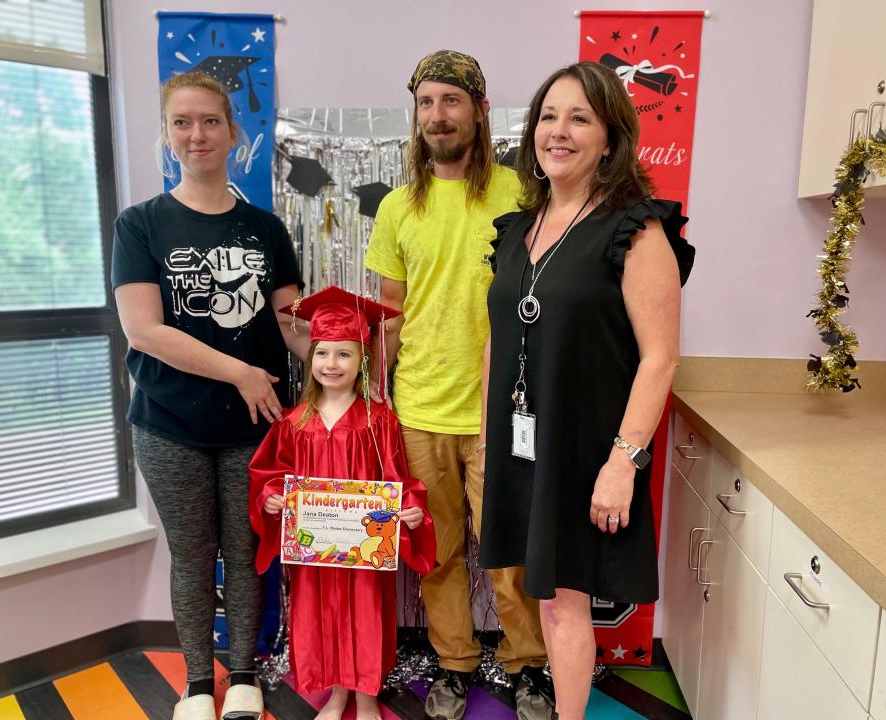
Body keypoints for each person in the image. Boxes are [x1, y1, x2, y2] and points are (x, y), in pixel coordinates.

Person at [479, 61, 696, 720]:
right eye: (548, 116)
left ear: (610, 136)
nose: (559, 131)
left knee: (565, 596)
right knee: (546, 594)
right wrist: (492, 443)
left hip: (587, 444)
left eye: (580, 118)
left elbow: (660, 358)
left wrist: (622, 463)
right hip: (522, 442)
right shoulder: (518, 230)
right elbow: (497, 338)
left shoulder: (635, 227)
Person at [111, 71, 309, 720]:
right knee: (193, 557)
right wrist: (242, 372)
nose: (197, 135)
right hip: (169, 424)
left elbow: (291, 321)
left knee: (248, 553)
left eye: (210, 122)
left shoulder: (265, 229)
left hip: (256, 424)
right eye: (182, 123)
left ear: (233, 134)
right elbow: (144, 331)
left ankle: (244, 674)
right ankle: (199, 682)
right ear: (167, 135)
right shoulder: (140, 225)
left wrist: (352, 366)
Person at [364, 50, 552, 720]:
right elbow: (388, 315)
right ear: (415, 115)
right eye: (426, 103)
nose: (438, 116)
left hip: (502, 412)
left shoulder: (521, 195)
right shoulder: (396, 208)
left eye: (451, 101)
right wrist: (371, 396)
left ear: (478, 108)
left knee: (508, 554)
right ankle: (454, 664)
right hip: (419, 409)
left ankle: (528, 666)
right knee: (437, 554)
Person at [247, 287, 437, 720]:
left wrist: (408, 508)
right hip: (315, 549)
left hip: (365, 546)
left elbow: (396, 477)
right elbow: (270, 473)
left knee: (367, 614)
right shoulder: (295, 422)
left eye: (345, 355)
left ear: (363, 360)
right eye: (323, 354)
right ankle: (336, 695)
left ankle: (366, 695)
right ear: (310, 357)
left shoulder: (378, 420)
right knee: (321, 615)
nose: (332, 365)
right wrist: (271, 497)